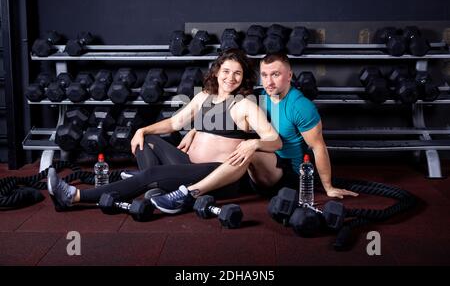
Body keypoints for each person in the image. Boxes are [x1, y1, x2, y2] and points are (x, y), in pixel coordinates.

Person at [47, 49, 282, 213]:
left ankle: (74, 196)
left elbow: (274, 140)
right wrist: (141, 129)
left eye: (237, 73)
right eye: (226, 71)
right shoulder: (203, 97)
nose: (231, 78)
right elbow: (174, 123)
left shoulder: (246, 105)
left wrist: (254, 143)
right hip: (189, 164)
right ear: (217, 72)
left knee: (151, 174)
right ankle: (156, 187)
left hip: (216, 177)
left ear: (243, 78)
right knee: (146, 139)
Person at [150, 52, 357, 214]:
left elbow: (318, 146)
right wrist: (195, 130)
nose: (269, 82)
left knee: (248, 150)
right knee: (244, 150)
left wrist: (328, 187)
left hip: (286, 175)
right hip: (254, 174)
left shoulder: (300, 106)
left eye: (276, 74)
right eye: (265, 75)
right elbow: (224, 114)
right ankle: (175, 187)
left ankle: (190, 193)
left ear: (289, 75)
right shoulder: (258, 96)